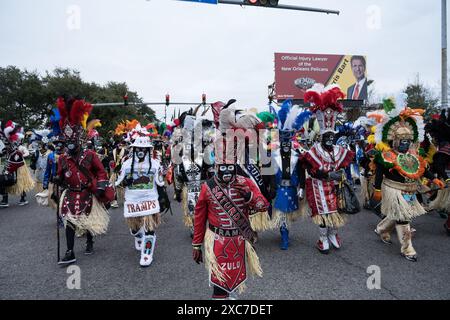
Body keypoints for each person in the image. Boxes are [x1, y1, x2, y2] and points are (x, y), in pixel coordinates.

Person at [372, 95, 445, 262]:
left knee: (400, 214)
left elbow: (422, 169)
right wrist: (377, 189)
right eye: (402, 141)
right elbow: (379, 173)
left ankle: (382, 228)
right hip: (393, 189)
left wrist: (433, 179)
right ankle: (407, 248)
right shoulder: (387, 155)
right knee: (403, 218)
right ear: (395, 140)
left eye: (407, 140)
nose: (405, 143)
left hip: (410, 190)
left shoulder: (413, 155)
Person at [192, 161, 269, 300]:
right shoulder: (208, 187)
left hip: (240, 240)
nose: (227, 171)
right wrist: (196, 245)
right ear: (216, 167)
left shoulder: (245, 182)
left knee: (235, 281)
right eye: (223, 167)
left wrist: (249, 196)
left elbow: (263, 205)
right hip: (216, 241)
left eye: (230, 167)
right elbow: (199, 218)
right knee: (220, 284)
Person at [55, 96, 111, 266]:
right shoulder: (63, 158)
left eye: (73, 141)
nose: (70, 145)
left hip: (87, 192)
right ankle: (69, 251)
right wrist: (57, 180)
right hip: (70, 193)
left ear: (79, 139)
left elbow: (101, 172)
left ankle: (89, 240)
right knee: (69, 220)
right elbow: (60, 174)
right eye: (67, 141)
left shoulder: (90, 155)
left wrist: (101, 186)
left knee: (87, 220)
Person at [301, 84, 354, 254]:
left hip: (335, 186)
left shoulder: (340, 151)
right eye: (327, 136)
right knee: (323, 214)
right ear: (321, 136)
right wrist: (327, 174)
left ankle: (333, 234)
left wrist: (340, 176)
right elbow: (310, 170)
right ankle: (323, 238)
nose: (330, 139)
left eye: (332, 136)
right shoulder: (314, 151)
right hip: (319, 186)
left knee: (336, 212)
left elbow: (344, 166)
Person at [115, 133, 167, 267]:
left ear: (148, 150)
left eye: (144, 149)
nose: (140, 152)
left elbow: (160, 183)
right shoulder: (126, 164)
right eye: (138, 149)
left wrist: (162, 199)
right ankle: (138, 235)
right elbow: (118, 182)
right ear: (134, 149)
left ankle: (146, 254)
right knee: (135, 228)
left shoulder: (155, 164)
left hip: (150, 199)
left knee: (150, 228)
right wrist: (126, 182)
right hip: (133, 201)